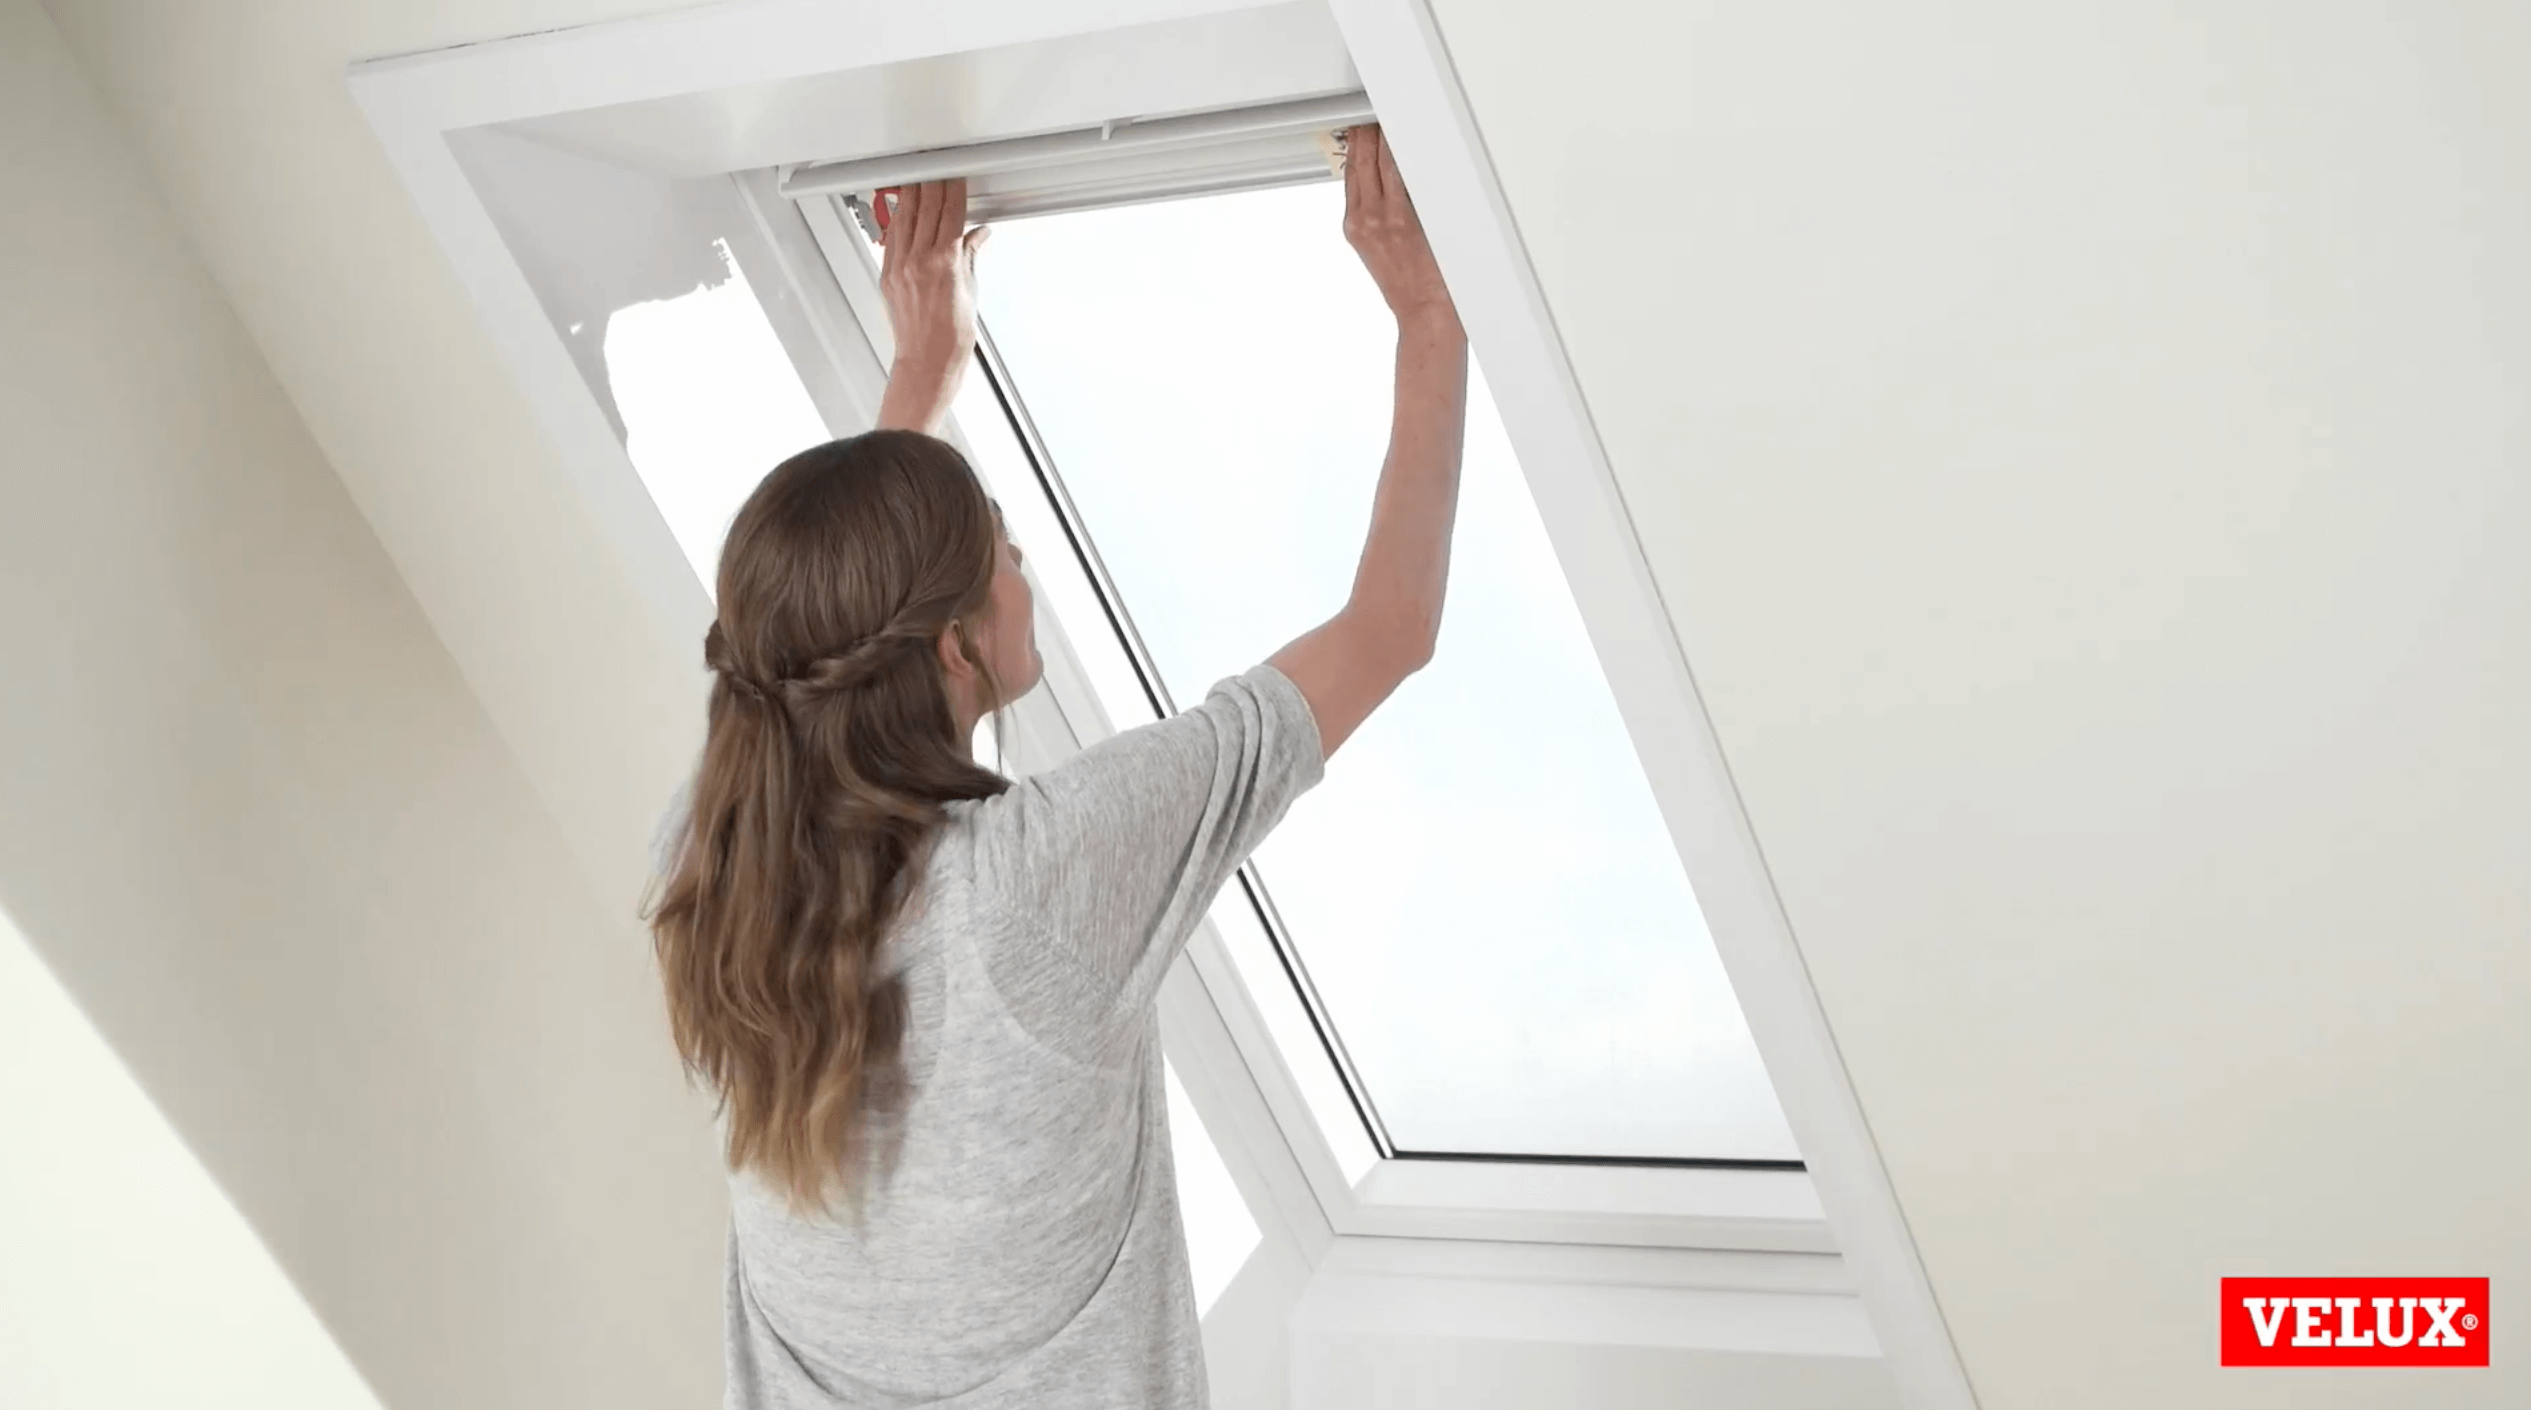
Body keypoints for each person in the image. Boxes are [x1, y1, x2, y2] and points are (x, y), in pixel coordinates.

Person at [649, 125, 1467, 1409]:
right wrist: (1432, 317)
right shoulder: (1032, 890)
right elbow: (1388, 628)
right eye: (1006, 551)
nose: (1025, 566)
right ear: (954, 646)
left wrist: (921, 372)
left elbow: (806, 642)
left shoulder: (718, 863)